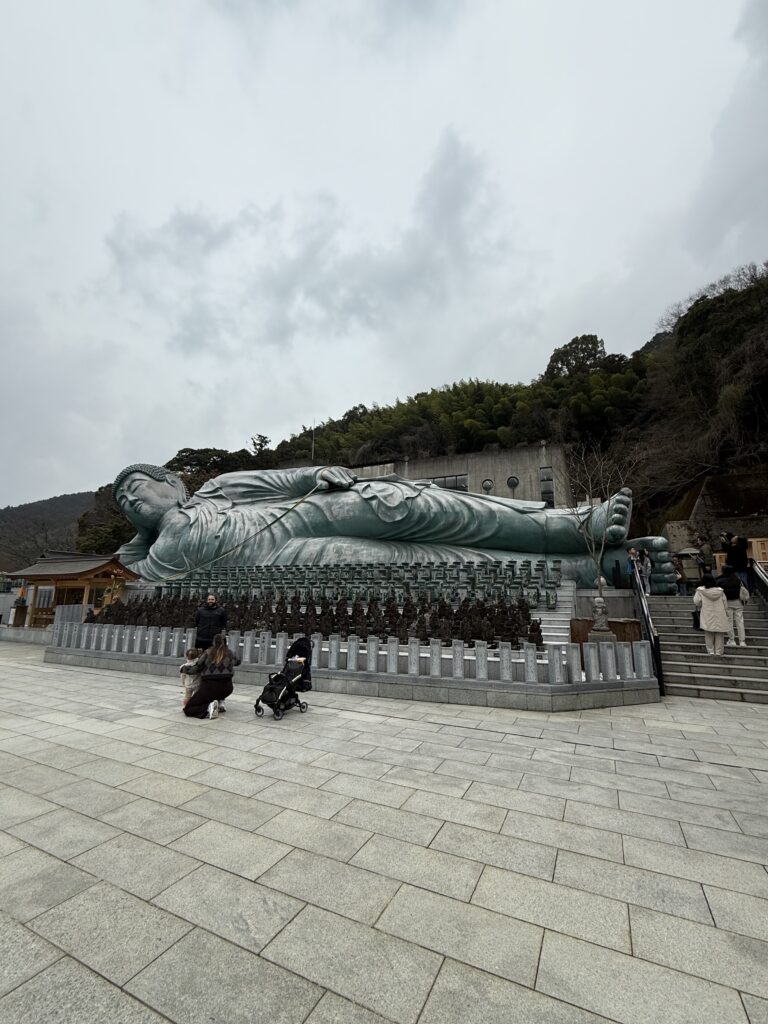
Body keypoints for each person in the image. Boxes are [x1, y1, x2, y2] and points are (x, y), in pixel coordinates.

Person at [112, 463, 677, 591]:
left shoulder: (219, 490)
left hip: (304, 511)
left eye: (138, 487)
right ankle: (592, 566)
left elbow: (289, 480)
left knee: (404, 507)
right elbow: (141, 582)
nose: (131, 500)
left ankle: (572, 524)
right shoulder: (147, 558)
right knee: (414, 565)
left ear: (173, 483)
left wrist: (317, 473)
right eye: (122, 501)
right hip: (283, 563)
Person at [183, 633, 241, 719]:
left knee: (189, 708)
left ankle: (208, 709)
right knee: (212, 695)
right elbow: (238, 662)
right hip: (227, 688)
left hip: (210, 687)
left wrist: (185, 669)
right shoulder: (230, 653)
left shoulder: (208, 652)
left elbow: (198, 667)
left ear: (213, 642)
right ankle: (217, 702)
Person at [693, 575, 729, 657]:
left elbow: (697, 602)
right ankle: (719, 652)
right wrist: (726, 613)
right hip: (720, 613)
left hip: (707, 613)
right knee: (719, 633)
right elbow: (725, 604)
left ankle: (710, 651)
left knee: (708, 633)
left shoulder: (700, 591)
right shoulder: (720, 591)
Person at [715, 564, 747, 648]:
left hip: (727, 603)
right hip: (738, 602)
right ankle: (742, 641)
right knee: (740, 621)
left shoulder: (720, 580)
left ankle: (732, 640)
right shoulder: (738, 579)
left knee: (729, 621)